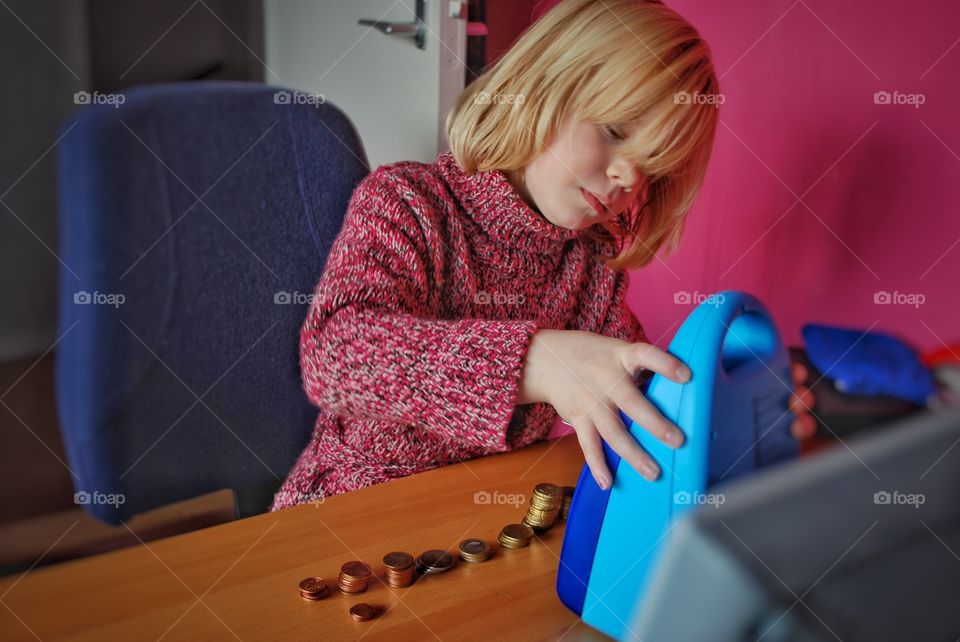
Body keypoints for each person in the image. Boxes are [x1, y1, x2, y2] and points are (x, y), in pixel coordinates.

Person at [269, 0, 815, 511]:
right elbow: (334, 355)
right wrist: (538, 363)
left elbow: (630, 392)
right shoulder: (408, 204)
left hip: (472, 523)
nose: (627, 176)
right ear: (540, 88)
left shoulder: (590, 267)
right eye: (614, 131)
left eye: (650, 167)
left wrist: (729, 409)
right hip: (343, 513)